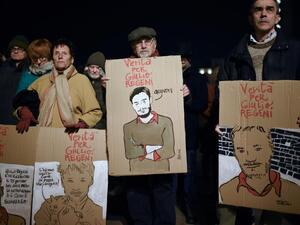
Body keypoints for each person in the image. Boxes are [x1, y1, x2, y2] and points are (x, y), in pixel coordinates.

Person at [217, 0, 300, 224]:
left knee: (279, 202)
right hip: (245, 135)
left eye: (269, 9)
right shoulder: (234, 54)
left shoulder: (295, 50)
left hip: (283, 135)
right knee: (244, 199)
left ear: (277, 17)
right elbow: (223, 94)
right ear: (251, 16)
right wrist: (221, 120)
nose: (264, 14)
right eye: (258, 9)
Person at [125, 26, 176, 225]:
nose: (143, 45)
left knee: (163, 189)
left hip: (161, 148)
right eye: (139, 42)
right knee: (137, 190)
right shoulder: (123, 70)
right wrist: (108, 88)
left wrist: (185, 94)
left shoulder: (168, 67)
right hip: (137, 145)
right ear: (133, 46)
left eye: (147, 41)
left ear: (155, 43)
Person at [14, 38, 101, 133]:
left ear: (72, 59)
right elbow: (21, 104)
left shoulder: (81, 80)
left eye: (64, 53)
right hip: (40, 135)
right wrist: (23, 111)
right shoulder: (41, 81)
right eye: (56, 53)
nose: (60, 56)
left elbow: (95, 112)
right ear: (53, 59)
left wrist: (83, 122)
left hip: (70, 137)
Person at [220, 126, 300, 209]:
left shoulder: (294, 191)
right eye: (241, 151)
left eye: (257, 149)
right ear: (236, 155)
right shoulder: (226, 189)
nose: (250, 158)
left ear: (271, 150)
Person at [173, 42, 208, 224]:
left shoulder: (197, 79)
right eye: (178, 59)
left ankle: (191, 215)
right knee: (171, 182)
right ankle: (172, 214)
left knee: (189, 181)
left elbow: (201, 104)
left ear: (189, 60)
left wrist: (188, 98)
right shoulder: (168, 77)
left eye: (183, 59)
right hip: (171, 137)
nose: (181, 63)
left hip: (189, 137)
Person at [123, 86, 175, 172]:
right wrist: (149, 149)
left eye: (144, 101)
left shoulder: (165, 121)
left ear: (150, 100)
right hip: (136, 172)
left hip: (161, 170)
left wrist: (141, 153)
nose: (141, 107)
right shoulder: (128, 127)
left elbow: (169, 150)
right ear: (132, 105)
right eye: (136, 103)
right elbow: (129, 153)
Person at [34, 162, 104, 225]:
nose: (76, 187)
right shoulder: (50, 206)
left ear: (91, 181)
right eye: (70, 180)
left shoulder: (98, 213)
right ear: (62, 182)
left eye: (82, 180)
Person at [0, 35, 29, 125]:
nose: (16, 51)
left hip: (19, 121)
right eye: (13, 48)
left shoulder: (30, 70)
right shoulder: (3, 68)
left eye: (20, 48)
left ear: (26, 51)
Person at [84, 51, 107, 129]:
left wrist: (106, 88)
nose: (94, 70)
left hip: (101, 123)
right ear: (87, 68)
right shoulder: (82, 81)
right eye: (92, 67)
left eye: (98, 68)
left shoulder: (106, 85)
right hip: (83, 121)